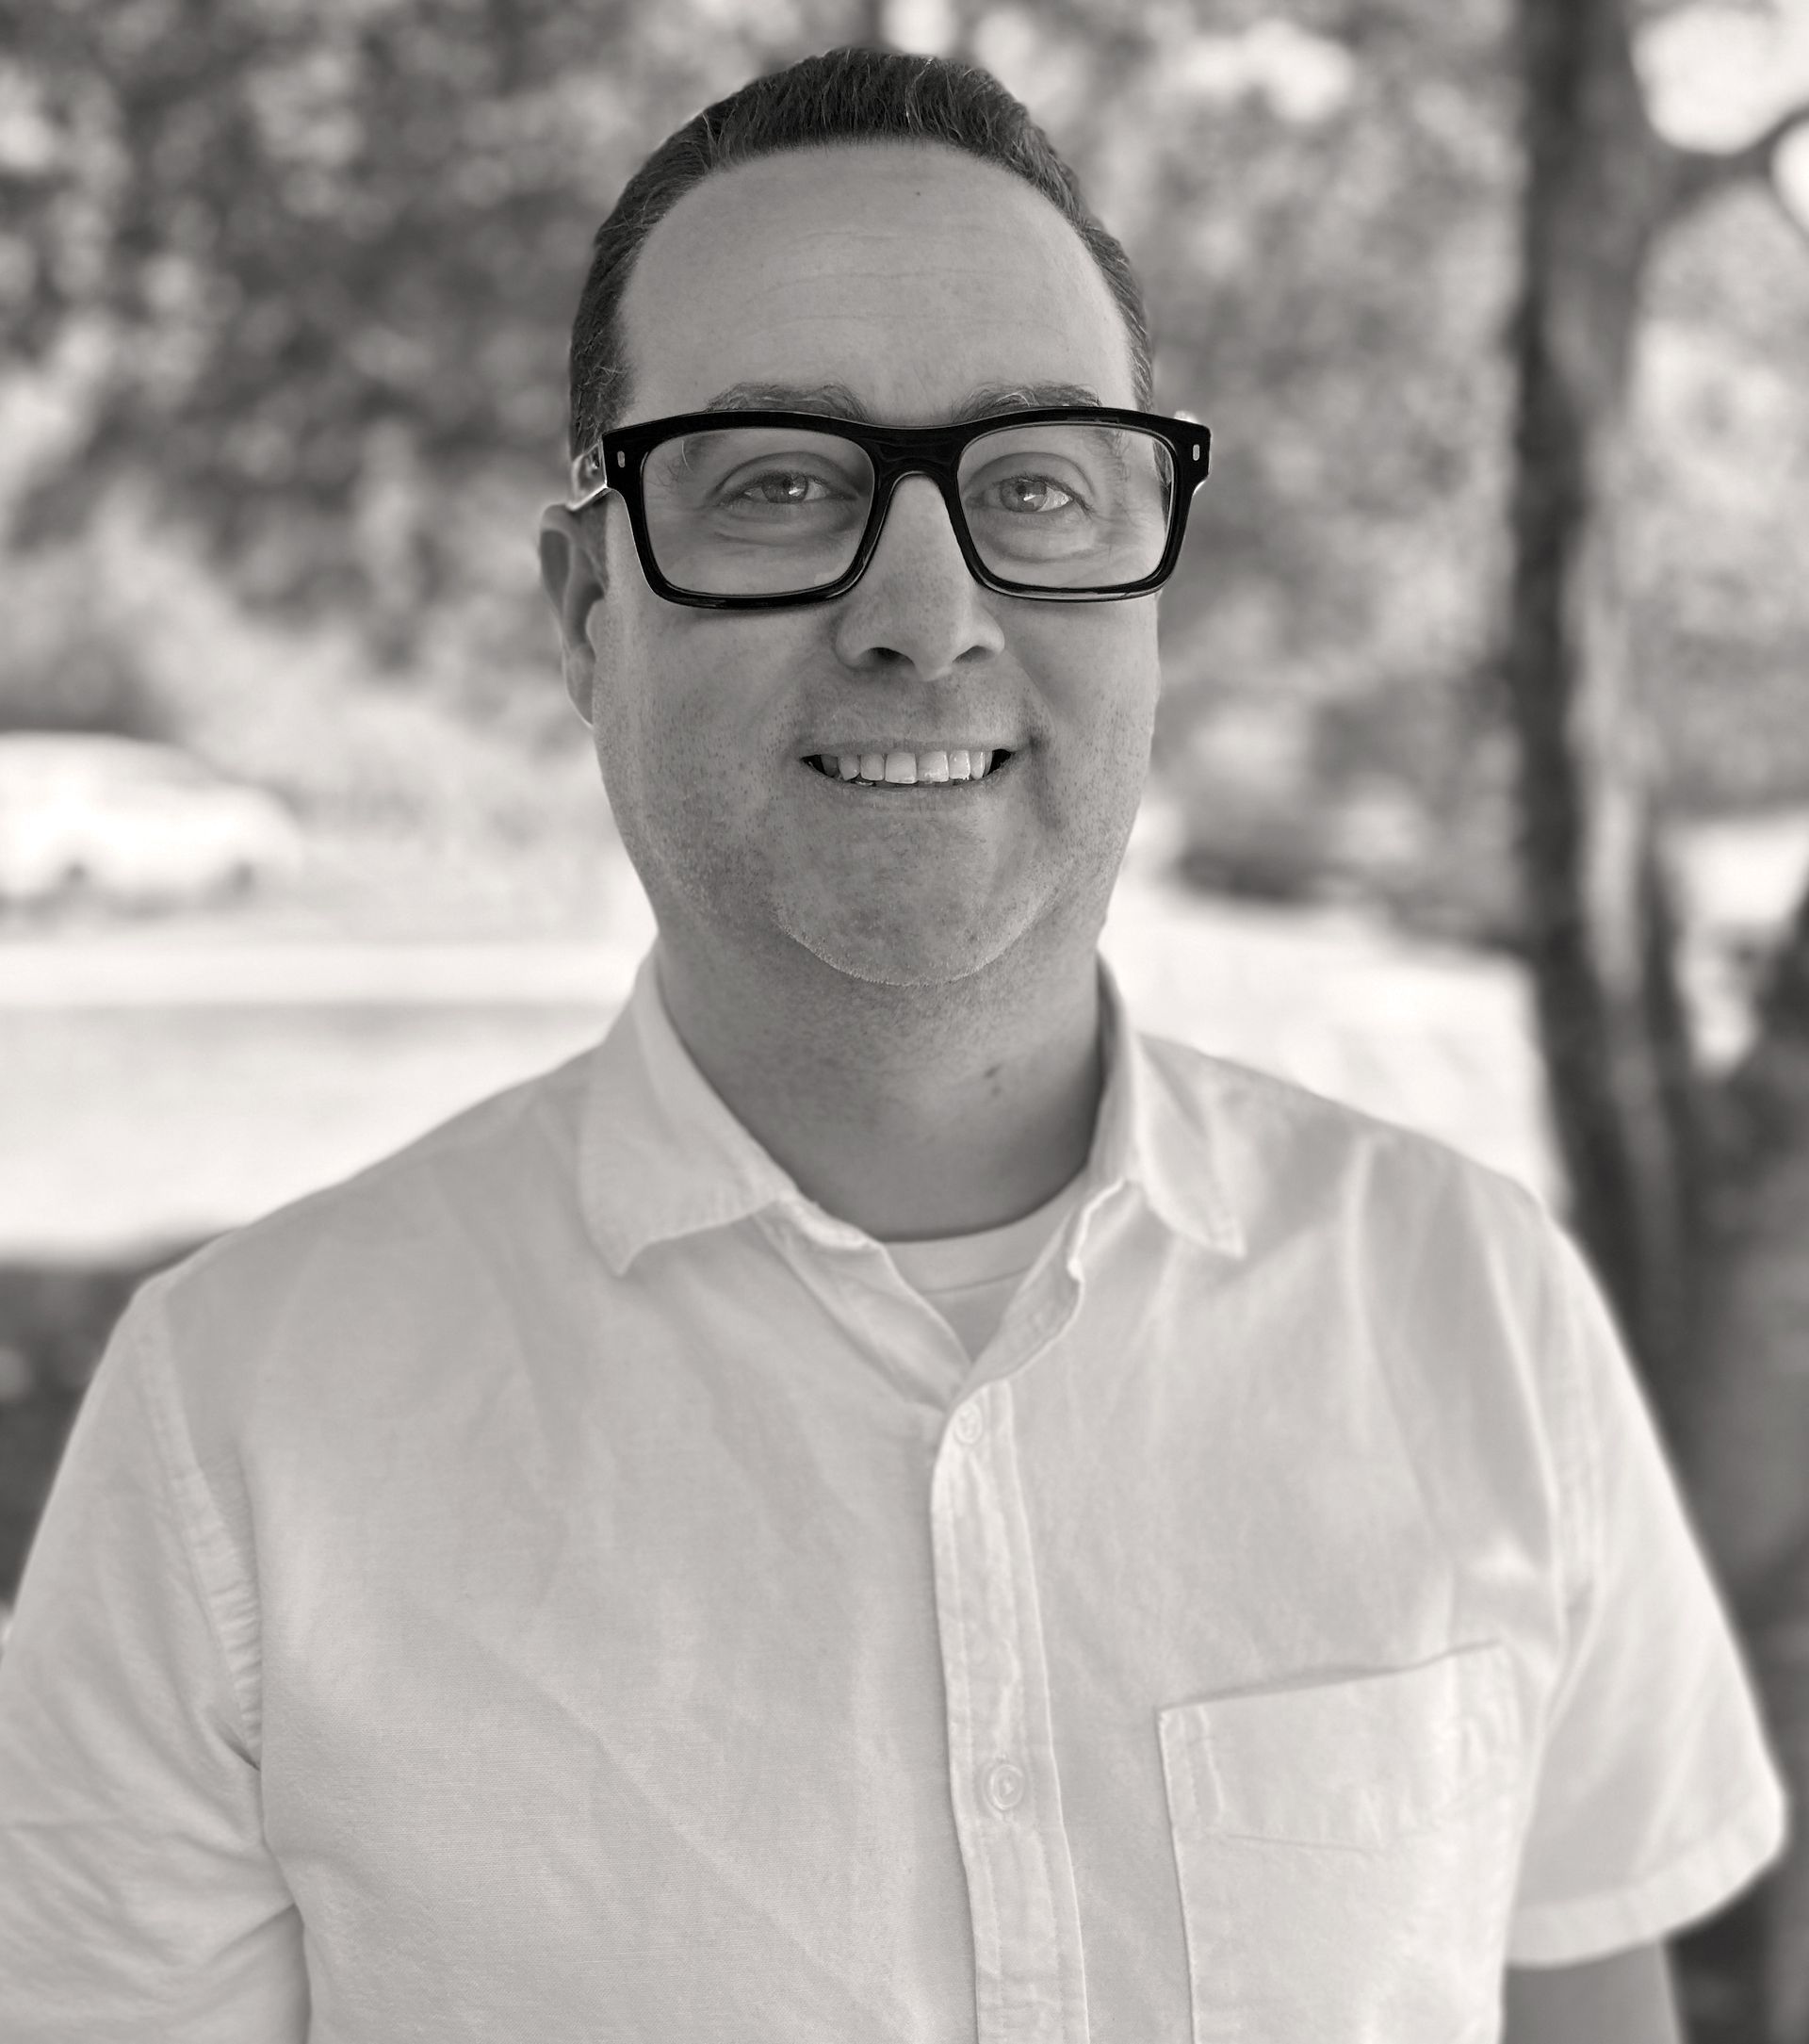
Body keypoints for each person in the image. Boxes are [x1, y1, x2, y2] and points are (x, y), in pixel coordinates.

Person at [0, 45, 1787, 2044]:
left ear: (1154, 583)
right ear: (589, 606)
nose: (924, 612)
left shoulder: (1479, 1311)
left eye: (1036, 481)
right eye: (778, 481)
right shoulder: (235, 1434)